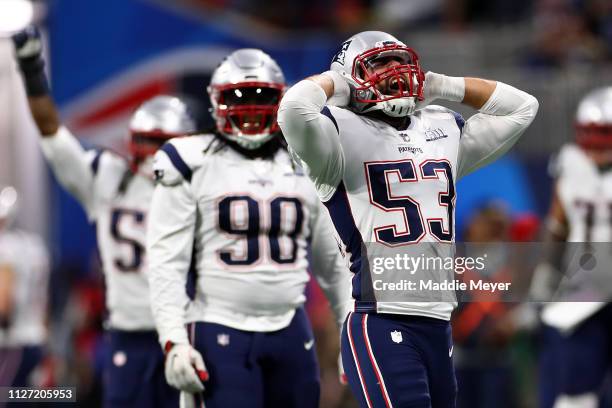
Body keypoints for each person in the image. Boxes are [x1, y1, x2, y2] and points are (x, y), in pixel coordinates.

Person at [278, 30, 538, 407]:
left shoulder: (440, 126)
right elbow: (292, 108)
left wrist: (442, 85)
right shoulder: (334, 133)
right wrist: (336, 83)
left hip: (438, 320)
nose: (395, 70)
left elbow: (523, 106)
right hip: (381, 317)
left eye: (401, 61)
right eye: (380, 63)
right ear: (352, 75)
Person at [147, 48, 352, 408]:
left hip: (290, 325)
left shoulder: (305, 161)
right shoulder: (190, 160)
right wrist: (173, 340)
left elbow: (334, 263)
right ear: (215, 101)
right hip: (219, 325)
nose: (252, 107)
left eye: (263, 96)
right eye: (239, 97)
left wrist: (350, 333)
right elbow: (166, 261)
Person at [12, 26, 196, 408]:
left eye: (165, 144)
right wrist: (32, 70)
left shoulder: (199, 186)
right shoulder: (106, 177)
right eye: (149, 143)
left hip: (185, 333)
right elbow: (50, 132)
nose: (156, 155)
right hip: (130, 334)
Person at [527, 86, 612, 408]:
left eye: (604, 132)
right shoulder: (570, 161)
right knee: (575, 394)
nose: (596, 142)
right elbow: (557, 225)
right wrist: (545, 276)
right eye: (589, 132)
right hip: (583, 290)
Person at [0, 186, 49, 397]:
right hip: (35, 340)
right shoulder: (36, 246)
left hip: (12, 342)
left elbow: (3, 305)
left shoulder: (5, 247)